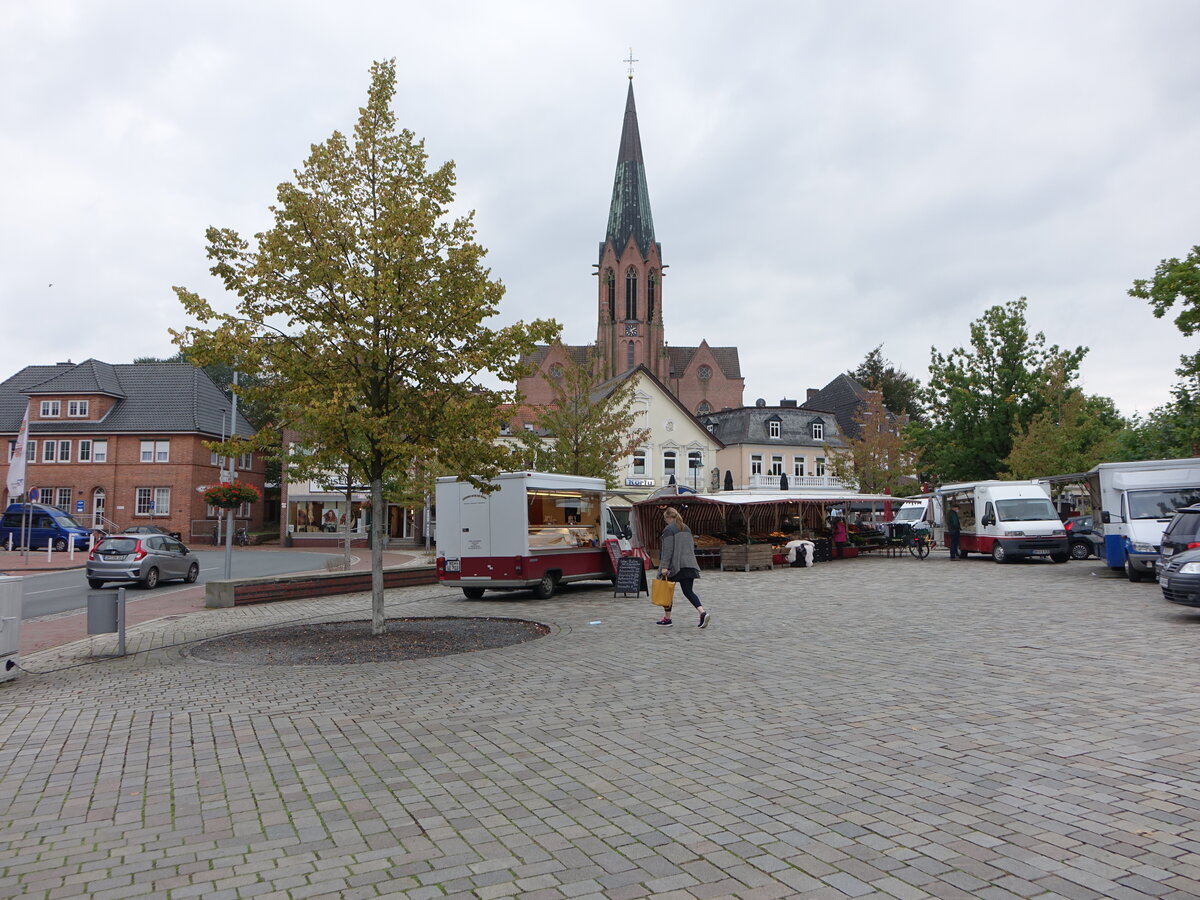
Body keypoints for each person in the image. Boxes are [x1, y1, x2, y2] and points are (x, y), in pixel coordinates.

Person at [657, 507, 710, 628]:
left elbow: (667, 551)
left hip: (675, 566)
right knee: (688, 591)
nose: (665, 521)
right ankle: (702, 612)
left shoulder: (669, 530)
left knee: (666, 591)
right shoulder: (686, 528)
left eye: (665, 519)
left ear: (669, 517)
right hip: (689, 564)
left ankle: (667, 618)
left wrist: (664, 567)